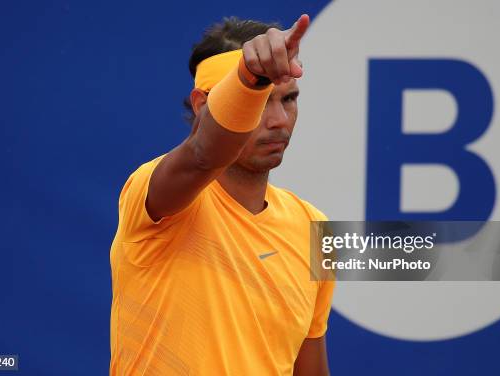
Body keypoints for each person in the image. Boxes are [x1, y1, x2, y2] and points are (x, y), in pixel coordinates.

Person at [110, 14, 334, 375]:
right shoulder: (155, 193)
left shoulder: (313, 228)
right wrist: (247, 80)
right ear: (202, 105)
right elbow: (204, 155)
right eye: (259, 101)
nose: (279, 120)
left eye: (288, 99)